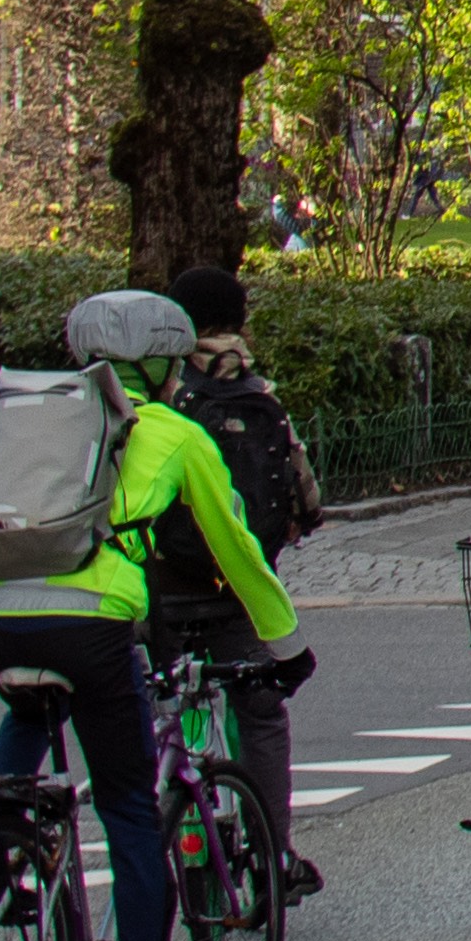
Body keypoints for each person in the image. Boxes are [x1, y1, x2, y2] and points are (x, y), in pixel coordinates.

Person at [0, 288, 303, 941]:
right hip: (93, 624)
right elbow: (237, 549)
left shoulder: (29, 416)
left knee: (33, 710)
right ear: (160, 365)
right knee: (128, 808)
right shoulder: (175, 432)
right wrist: (287, 644)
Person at [149, 261, 321, 897]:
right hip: (238, 595)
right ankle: (275, 855)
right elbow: (305, 496)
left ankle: (164, 834)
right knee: (261, 714)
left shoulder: (162, 393)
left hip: (165, 592)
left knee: (161, 706)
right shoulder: (261, 396)